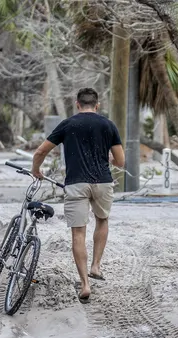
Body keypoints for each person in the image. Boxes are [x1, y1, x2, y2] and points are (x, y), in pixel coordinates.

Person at [31, 88, 124, 304]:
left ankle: (84, 284)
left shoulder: (68, 124)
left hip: (76, 184)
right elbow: (120, 161)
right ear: (97, 105)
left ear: (77, 104)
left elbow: (40, 152)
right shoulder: (108, 125)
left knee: (78, 234)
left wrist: (37, 170)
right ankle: (96, 265)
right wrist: (106, 159)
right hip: (102, 182)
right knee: (102, 220)